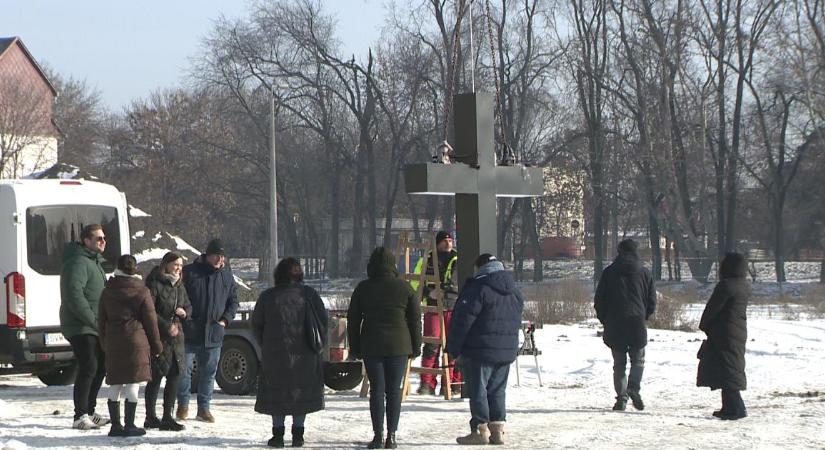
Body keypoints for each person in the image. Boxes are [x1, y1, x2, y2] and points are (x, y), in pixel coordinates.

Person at [348, 247, 422, 449]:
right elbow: (415, 320)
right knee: (394, 391)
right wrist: (416, 347)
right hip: (399, 346)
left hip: (371, 345)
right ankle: (392, 436)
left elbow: (353, 320)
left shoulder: (363, 288)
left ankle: (378, 435)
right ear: (393, 265)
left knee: (377, 390)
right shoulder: (405, 288)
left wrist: (354, 348)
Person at [447, 254, 524, 446]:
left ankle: (480, 430)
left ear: (480, 267)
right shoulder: (514, 291)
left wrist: (453, 348)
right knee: (498, 390)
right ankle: (497, 431)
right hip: (505, 351)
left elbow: (462, 322)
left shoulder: (477, 288)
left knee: (478, 391)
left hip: (479, 350)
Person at [252, 257, 328, 448]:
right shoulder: (309, 295)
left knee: (277, 393)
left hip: (275, 355)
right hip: (305, 356)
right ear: (299, 274)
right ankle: (298, 435)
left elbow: (257, 326)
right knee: (299, 393)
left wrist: (267, 345)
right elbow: (323, 323)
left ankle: (277, 435)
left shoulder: (268, 297)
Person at [98, 255, 163, 437]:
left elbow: (101, 320)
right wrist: (157, 346)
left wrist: (104, 342)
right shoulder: (142, 291)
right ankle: (130, 424)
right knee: (133, 382)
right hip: (136, 341)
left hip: (113, 341)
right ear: (135, 269)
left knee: (116, 382)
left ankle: (115, 426)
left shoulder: (107, 291)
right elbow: (151, 322)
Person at [177, 238, 239, 423]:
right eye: (217, 256)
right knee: (184, 371)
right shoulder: (189, 272)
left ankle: (204, 408)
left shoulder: (226, 275)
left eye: (223, 257)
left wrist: (225, 320)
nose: (220, 260)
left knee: (208, 373)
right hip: (189, 331)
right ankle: (182, 406)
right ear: (207, 255)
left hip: (214, 333)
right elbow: (178, 296)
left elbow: (233, 301)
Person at [593, 239, 657, 411]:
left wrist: (605, 319)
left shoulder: (609, 272)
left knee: (619, 363)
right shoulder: (644, 272)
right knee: (638, 360)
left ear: (619, 251)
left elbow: (599, 300)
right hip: (637, 321)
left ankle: (621, 398)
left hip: (615, 323)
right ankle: (633, 387)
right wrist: (645, 316)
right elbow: (652, 300)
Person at [59, 223, 111, 430]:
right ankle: (79, 415)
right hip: (81, 325)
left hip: (95, 325)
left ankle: (89, 410)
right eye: (98, 238)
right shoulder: (78, 262)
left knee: (100, 366)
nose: (103, 242)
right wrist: (93, 320)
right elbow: (74, 296)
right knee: (89, 365)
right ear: (86, 240)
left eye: (104, 238)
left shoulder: (95, 262)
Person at [697, 252, 750, 420]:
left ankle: (735, 408)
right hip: (737, 330)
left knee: (726, 369)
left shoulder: (726, 286)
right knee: (730, 367)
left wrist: (704, 325)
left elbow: (713, 309)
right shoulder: (744, 285)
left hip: (724, 331)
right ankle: (729, 406)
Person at [144, 252, 192, 431]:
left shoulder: (179, 284)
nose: (179, 268)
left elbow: (188, 305)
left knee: (175, 376)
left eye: (180, 265)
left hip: (177, 337)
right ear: (166, 265)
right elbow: (149, 311)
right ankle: (150, 416)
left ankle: (167, 417)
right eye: (176, 265)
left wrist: (185, 312)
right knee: (155, 377)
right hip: (160, 337)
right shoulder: (155, 283)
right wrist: (165, 326)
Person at [411, 231, 461, 396]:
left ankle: (452, 383)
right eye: (445, 241)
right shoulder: (426, 260)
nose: (448, 243)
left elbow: (458, 284)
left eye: (450, 240)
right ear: (438, 243)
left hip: (453, 307)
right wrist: (427, 293)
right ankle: (427, 383)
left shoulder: (457, 259)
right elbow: (415, 283)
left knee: (453, 346)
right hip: (432, 307)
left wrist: (445, 293)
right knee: (432, 345)